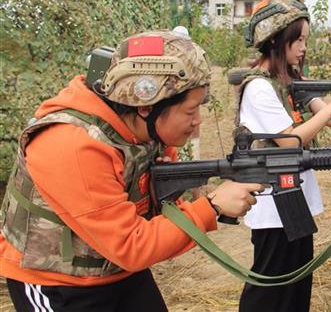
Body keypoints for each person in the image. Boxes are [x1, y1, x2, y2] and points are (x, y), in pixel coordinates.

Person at [0, 30, 263, 311]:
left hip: (117, 269)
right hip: (57, 283)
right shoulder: (72, 145)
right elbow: (130, 246)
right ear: (146, 107)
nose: (198, 123)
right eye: (190, 112)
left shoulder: (141, 128)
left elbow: (153, 196)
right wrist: (211, 207)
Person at [237, 0, 331, 312]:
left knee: (296, 287)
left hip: (293, 198)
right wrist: (330, 111)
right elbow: (289, 141)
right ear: (275, 41)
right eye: (297, 40)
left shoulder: (291, 81)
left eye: (305, 40)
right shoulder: (258, 87)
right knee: (270, 288)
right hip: (270, 201)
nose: (302, 47)